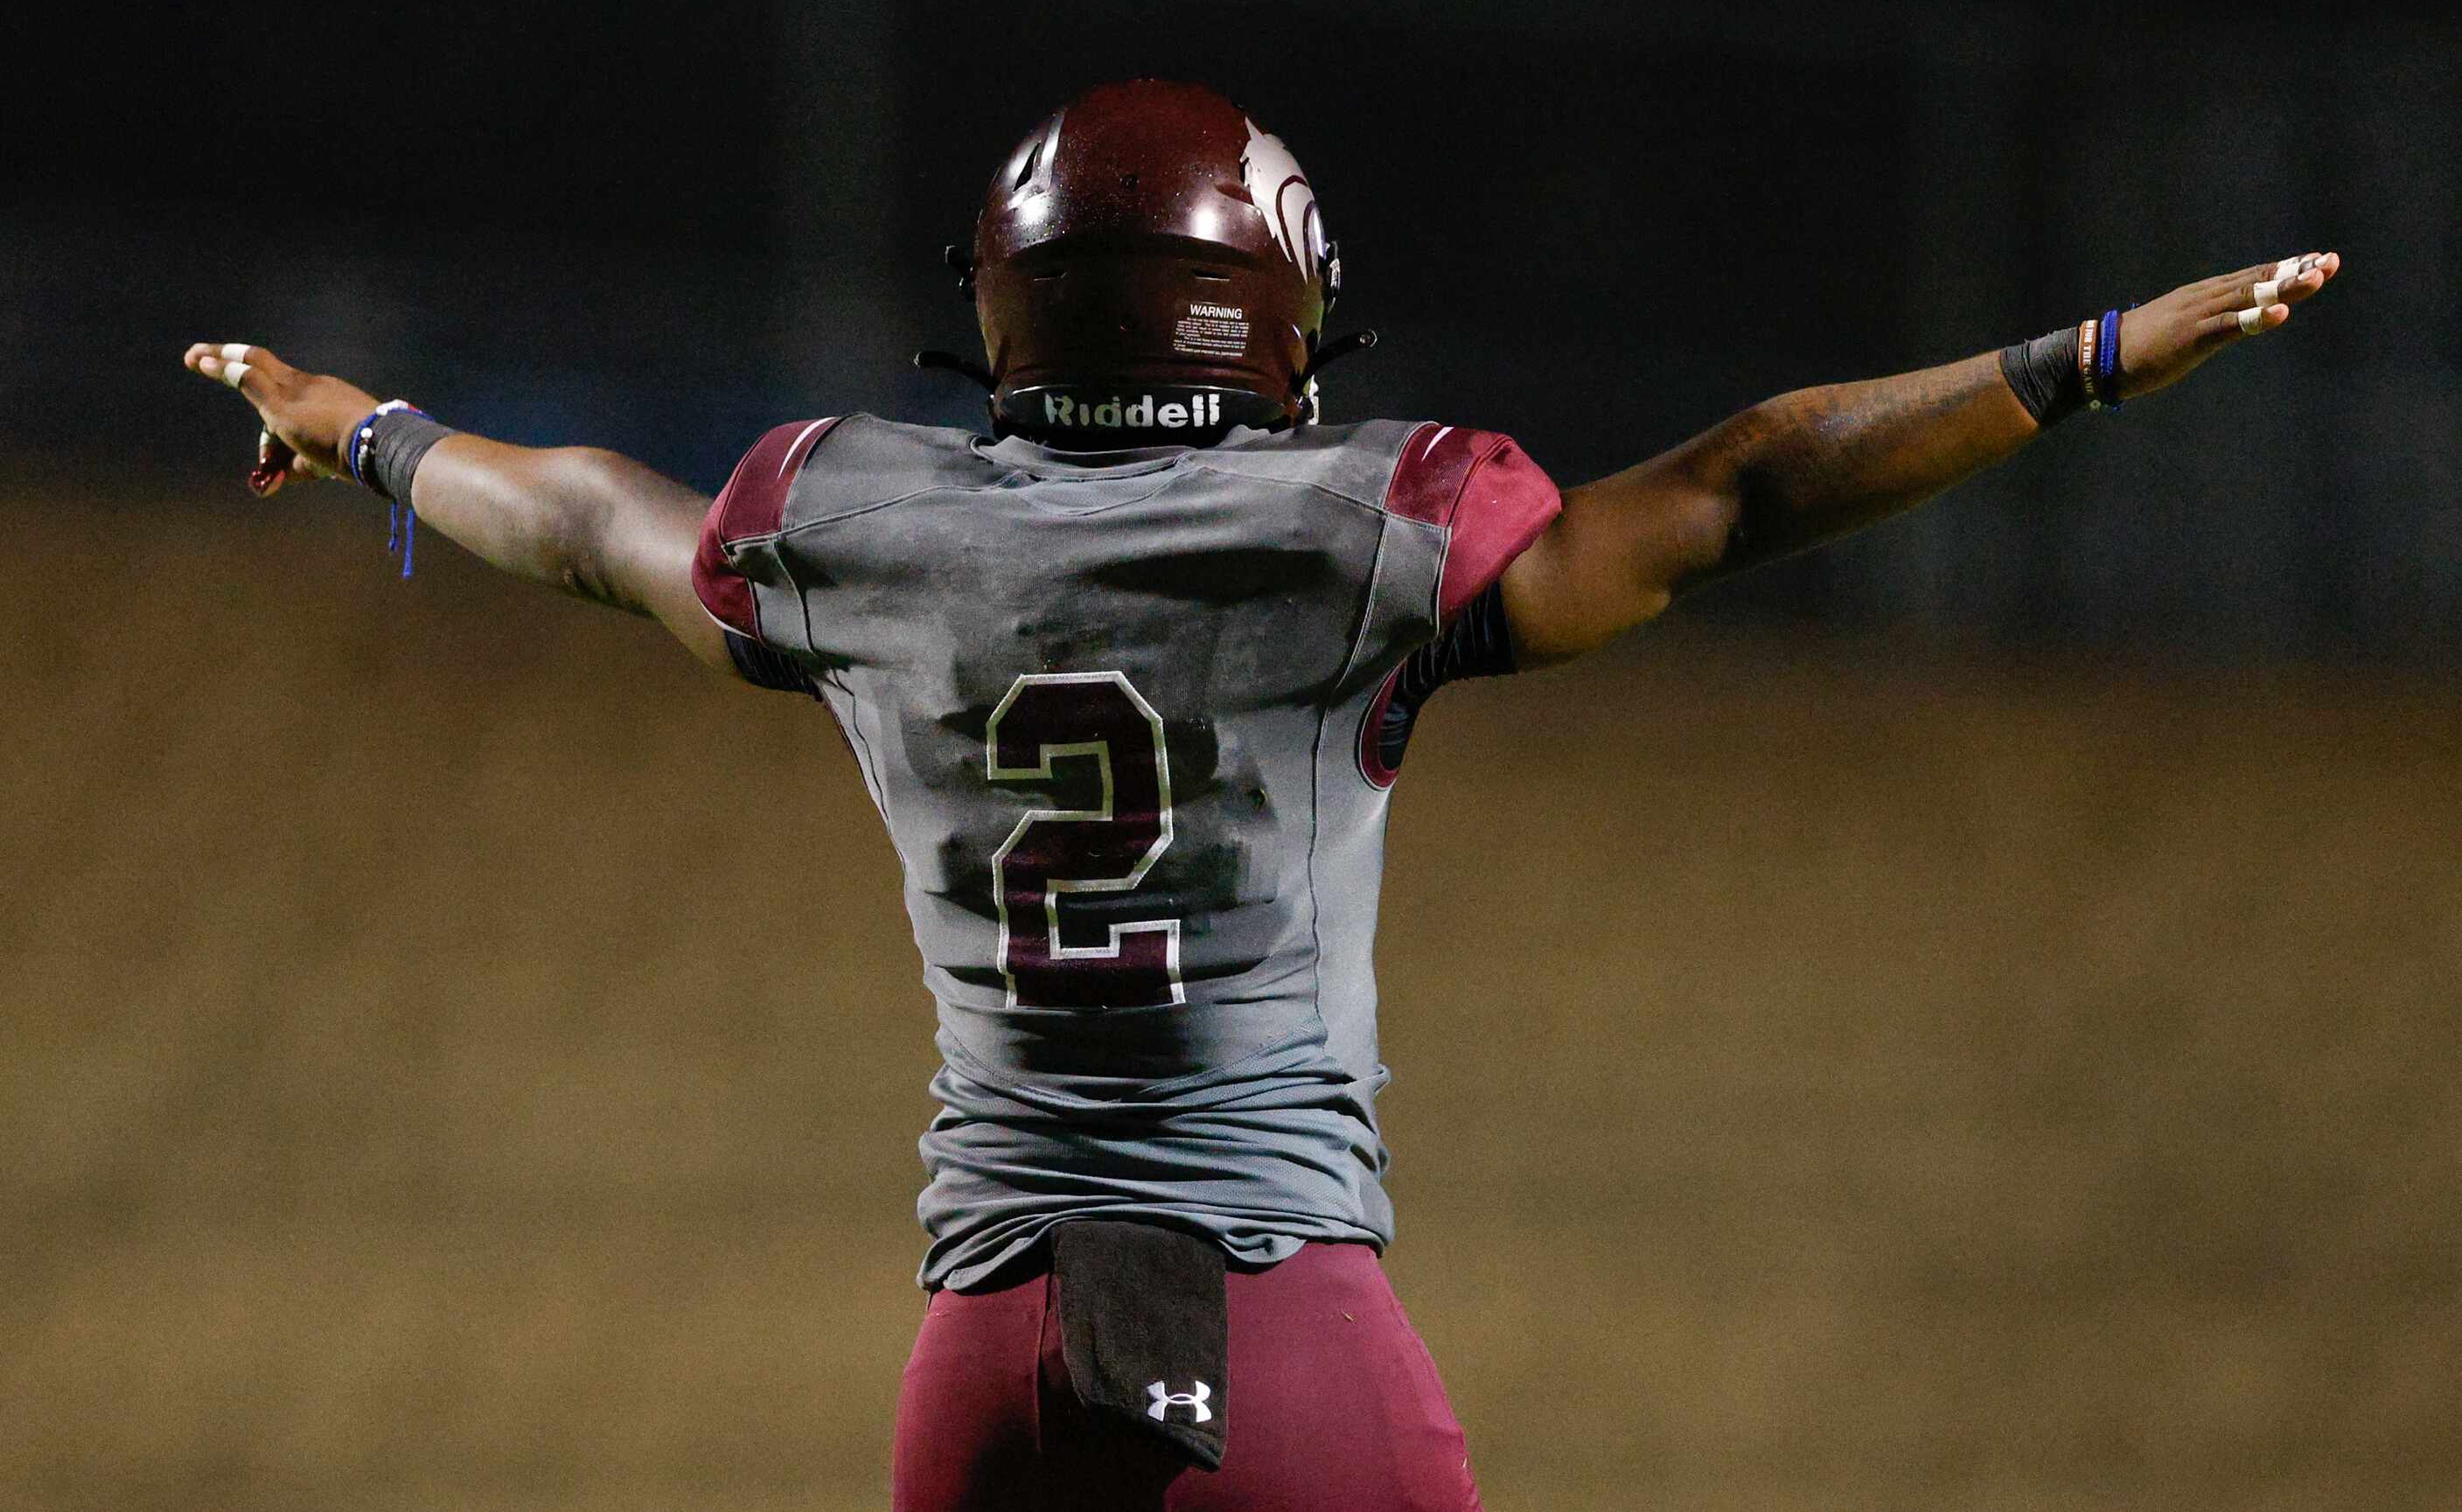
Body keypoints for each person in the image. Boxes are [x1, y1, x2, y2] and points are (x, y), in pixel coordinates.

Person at [185, 78, 2339, 1511]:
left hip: (979, 1359)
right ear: (1266, 306)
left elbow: (577, 519)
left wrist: (364, 428)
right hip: (1277, 1315)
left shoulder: (846, 515)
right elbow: (1742, 483)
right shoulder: (1357, 523)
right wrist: (2086, 357)